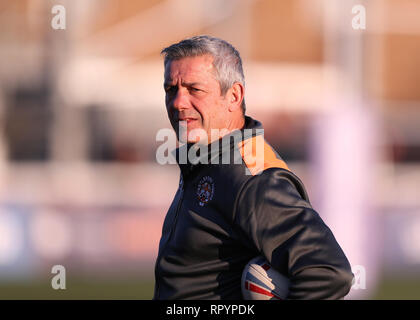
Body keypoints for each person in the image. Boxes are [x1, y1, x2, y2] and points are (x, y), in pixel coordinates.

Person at [153, 35, 353, 300]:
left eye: (194, 89)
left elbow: (328, 272)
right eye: (171, 89)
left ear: (234, 96)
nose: (178, 102)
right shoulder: (207, 161)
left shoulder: (252, 175)